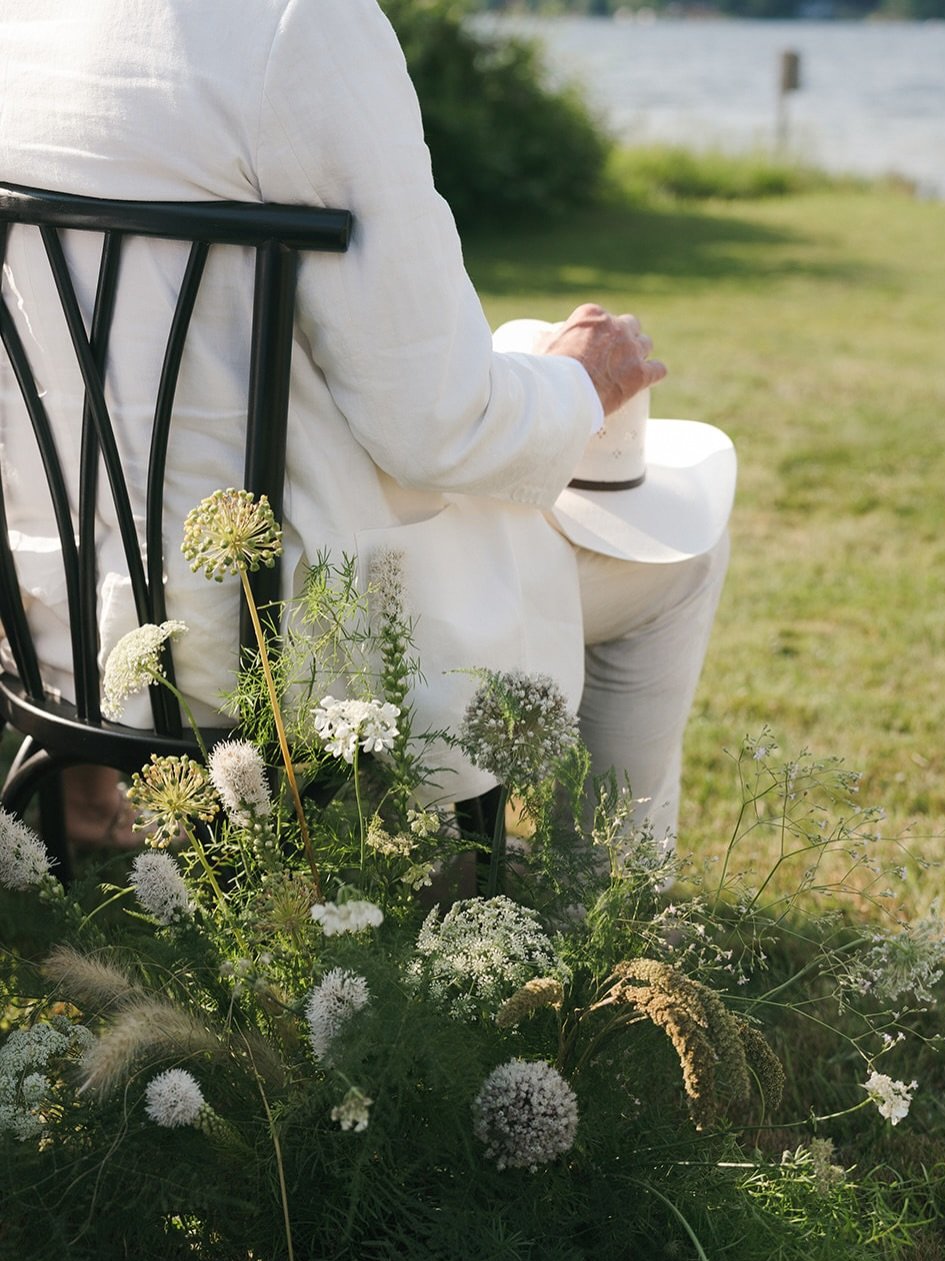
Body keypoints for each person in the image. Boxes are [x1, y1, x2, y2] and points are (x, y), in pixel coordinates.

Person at [0, 0, 731, 853]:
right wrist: (576, 378)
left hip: (68, 619)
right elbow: (433, 422)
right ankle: (602, 906)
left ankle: (86, 797)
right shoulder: (301, 26)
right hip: (274, 635)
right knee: (679, 556)